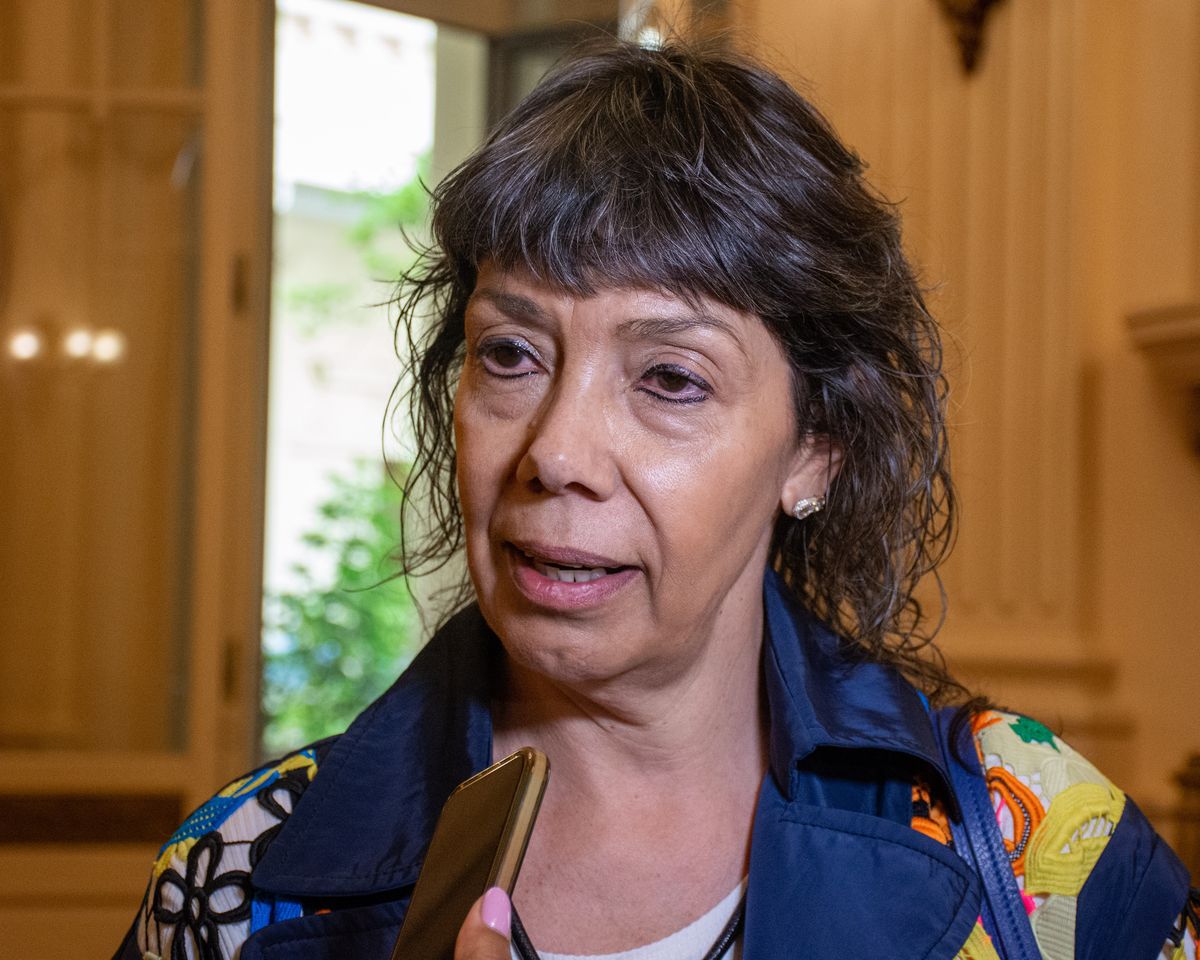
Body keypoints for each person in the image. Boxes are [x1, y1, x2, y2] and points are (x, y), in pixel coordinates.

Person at [117, 38, 1196, 960]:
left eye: (671, 378)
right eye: (511, 354)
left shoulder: (1041, 849)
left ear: (814, 450)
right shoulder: (236, 880)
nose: (559, 453)